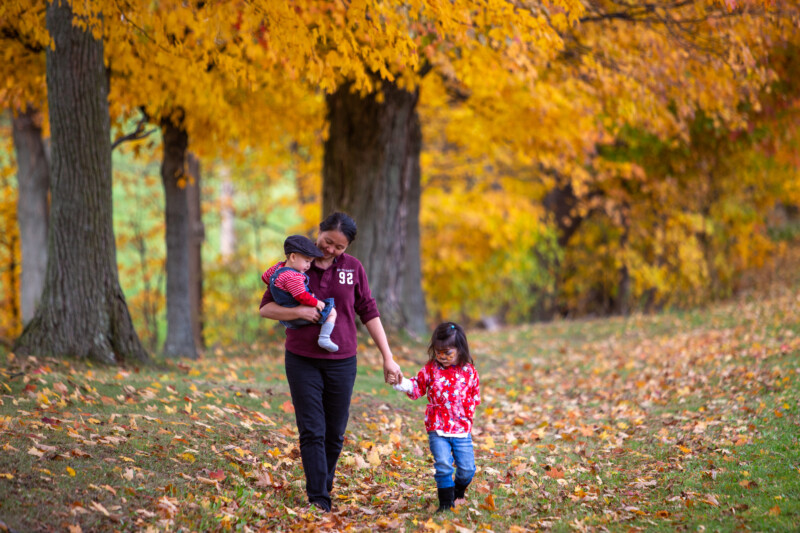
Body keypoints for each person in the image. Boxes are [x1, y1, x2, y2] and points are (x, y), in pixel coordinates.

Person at [259, 212, 403, 512]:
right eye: (327, 242)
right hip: (302, 359)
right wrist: (298, 312)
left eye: (339, 246)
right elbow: (267, 308)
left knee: (335, 432)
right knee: (312, 429)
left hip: (343, 361)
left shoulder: (353, 268)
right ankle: (319, 499)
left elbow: (368, 310)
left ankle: (323, 485)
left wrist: (387, 357)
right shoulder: (297, 264)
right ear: (319, 232)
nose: (331, 250)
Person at [393, 322, 481, 512]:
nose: (442, 357)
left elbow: (475, 395)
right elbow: (417, 386)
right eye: (439, 352)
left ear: (460, 349)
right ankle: (444, 504)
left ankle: (458, 491)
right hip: (437, 427)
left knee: (467, 470)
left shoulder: (469, 372)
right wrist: (403, 384)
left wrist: (467, 411)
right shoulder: (431, 369)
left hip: (461, 429)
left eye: (448, 353)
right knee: (443, 465)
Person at [264, 235, 339, 352]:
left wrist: (277, 288)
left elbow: (265, 277)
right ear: (293, 257)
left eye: (310, 262)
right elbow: (301, 296)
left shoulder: (277, 268)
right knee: (332, 311)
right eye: (307, 261)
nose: (309, 265)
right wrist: (316, 302)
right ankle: (324, 338)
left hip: (284, 313)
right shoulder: (294, 277)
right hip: (296, 311)